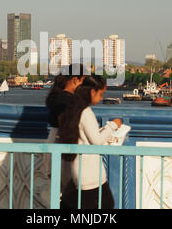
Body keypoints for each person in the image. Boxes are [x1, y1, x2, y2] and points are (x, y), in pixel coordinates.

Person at [57, 75, 122, 209]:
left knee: (70, 204)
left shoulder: (74, 109)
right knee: (106, 205)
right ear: (92, 92)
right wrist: (113, 126)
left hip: (78, 171)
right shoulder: (86, 112)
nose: (101, 98)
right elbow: (96, 141)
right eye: (101, 94)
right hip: (90, 175)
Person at [45, 64, 86, 143]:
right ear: (75, 80)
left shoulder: (59, 97)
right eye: (83, 81)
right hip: (61, 146)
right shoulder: (68, 100)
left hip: (53, 142)